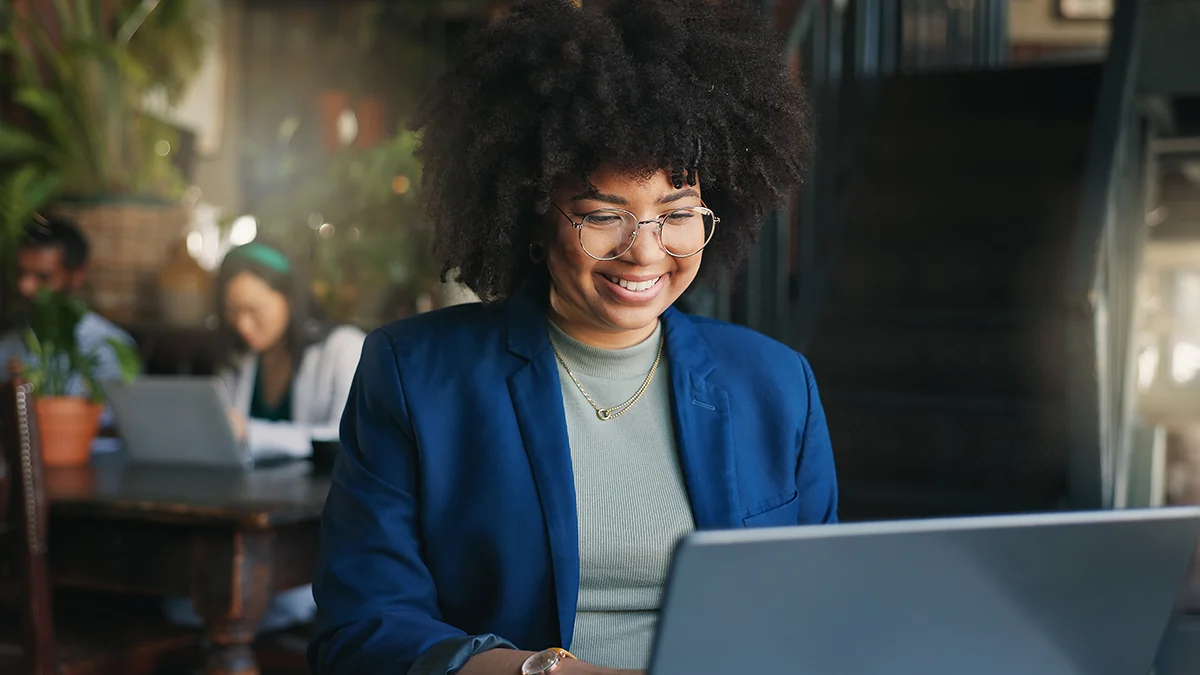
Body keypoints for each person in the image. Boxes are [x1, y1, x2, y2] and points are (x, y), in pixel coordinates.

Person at [310, 1, 836, 675]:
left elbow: (817, 617)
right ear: (532, 214)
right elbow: (361, 628)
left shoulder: (777, 385)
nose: (645, 253)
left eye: (677, 215)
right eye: (603, 216)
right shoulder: (415, 375)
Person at [162, 240, 366, 632]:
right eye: (232, 312)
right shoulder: (240, 359)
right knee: (191, 602)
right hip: (248, 523)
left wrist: (250, 431)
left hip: (316, 531)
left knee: (239, 605)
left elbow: (342, 438)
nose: (242, 324)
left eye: (254, 310)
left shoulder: (343, 349)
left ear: (290, 297)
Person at [0, 215, 135, 429]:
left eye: (43, 277)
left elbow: (124, 425)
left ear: (77, 275)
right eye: (21, 274)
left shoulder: (107, 345)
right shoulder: (9, 345)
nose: (24, 286)